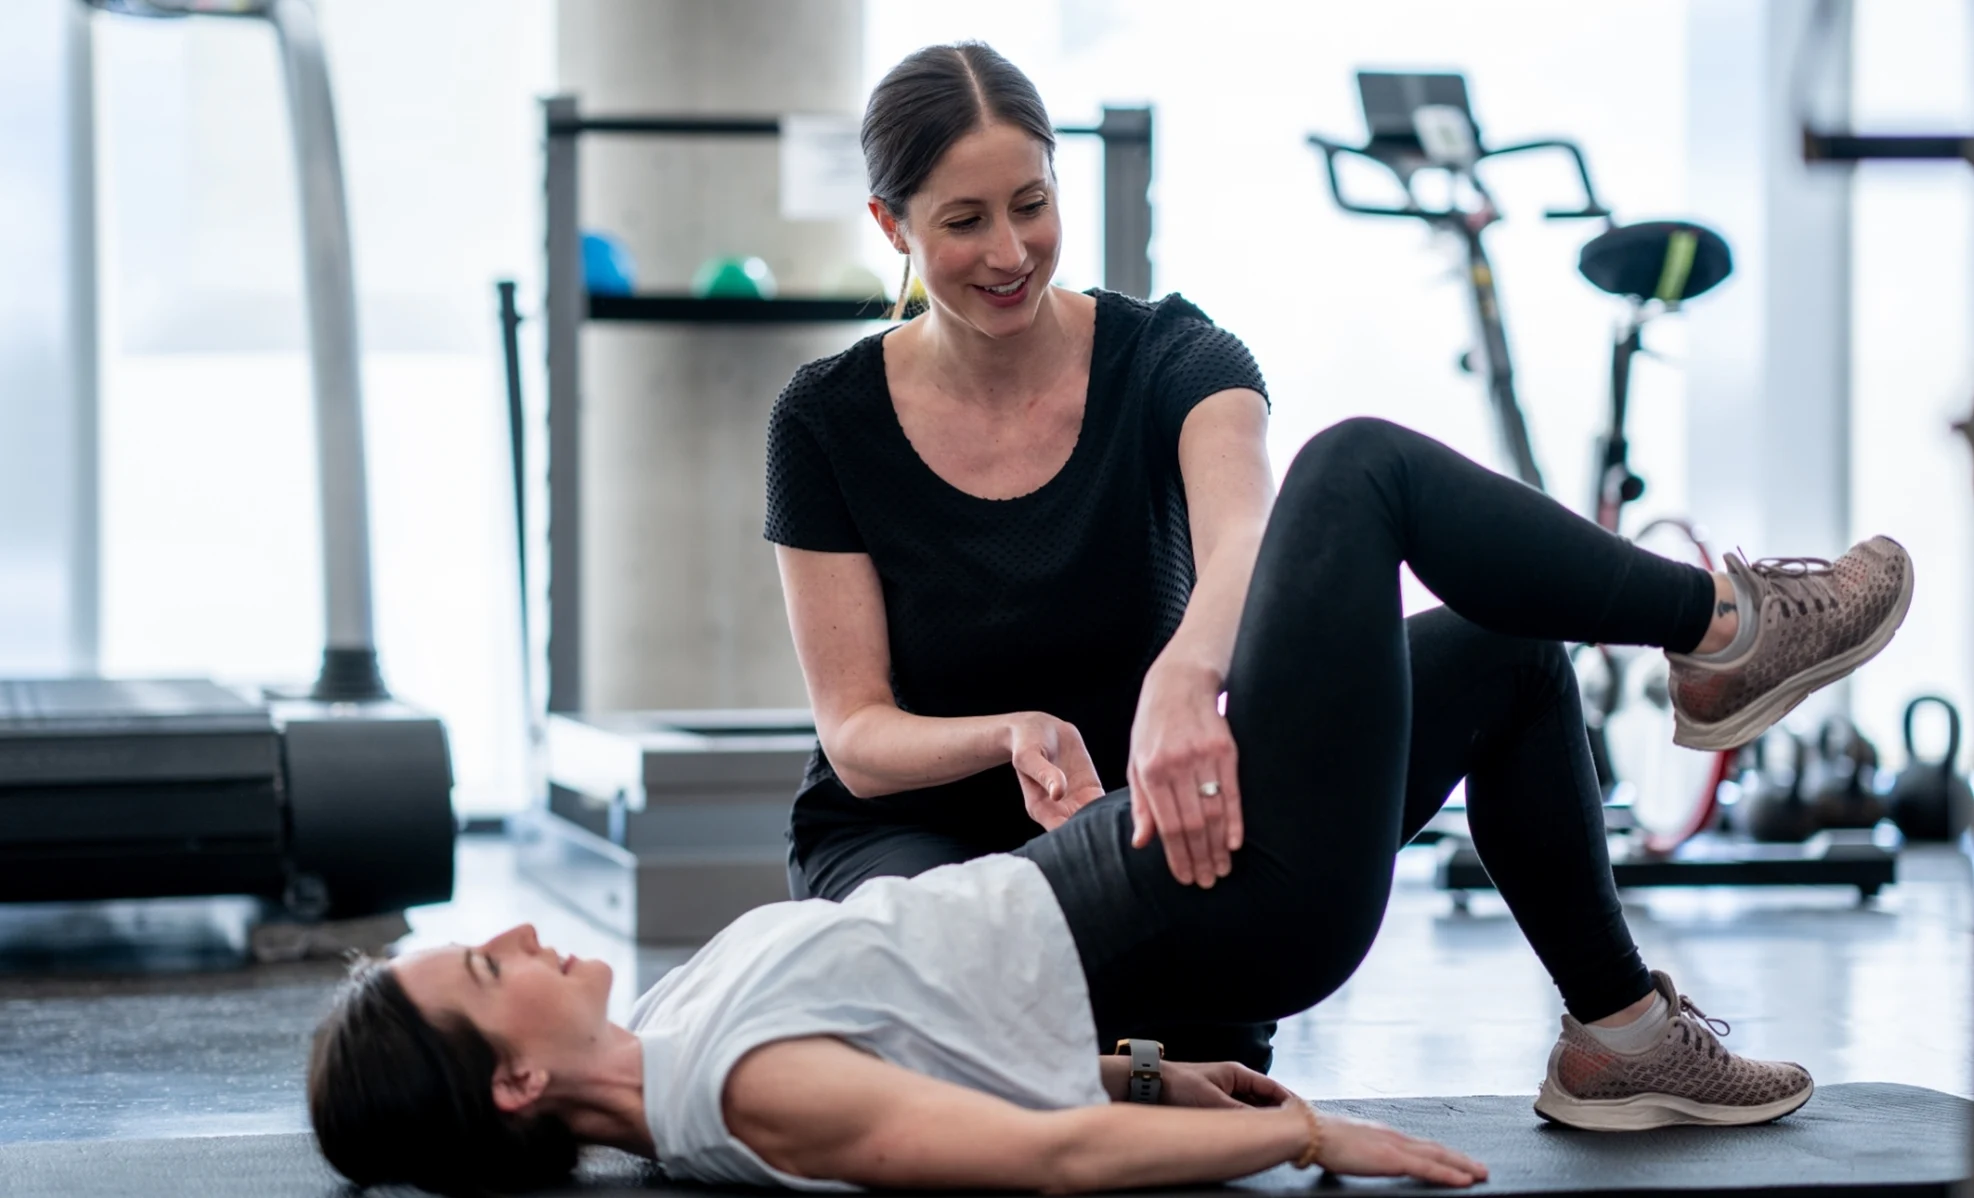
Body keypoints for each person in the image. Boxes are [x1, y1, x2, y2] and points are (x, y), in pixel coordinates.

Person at [306, 413, 1914, 1192]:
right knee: (1355, 473)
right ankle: (1721, 632)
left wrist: (1150, 1068)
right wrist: (1300, 1127)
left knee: (1500, 651)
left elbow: (946, 1031)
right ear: (514, 1080)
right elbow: (1043, 1162)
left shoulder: (678, 1033)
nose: (510, 926)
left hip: (1137, 894)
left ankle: (1615, 1034)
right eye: (481, 965)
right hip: (1213, 894)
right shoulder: (734, 1092)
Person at [766, 40, 1282, 1070]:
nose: (1011, 251)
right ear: (891, 224)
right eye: (964, 221)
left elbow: (1249, 542)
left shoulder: (1178, 359)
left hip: (1123, 823)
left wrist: (1187, 676)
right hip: (911, 839)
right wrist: (1013, 734)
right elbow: (858, 738)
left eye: (1031, 204)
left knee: (1207, 1043)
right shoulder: (825, 419)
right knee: (958, 984)